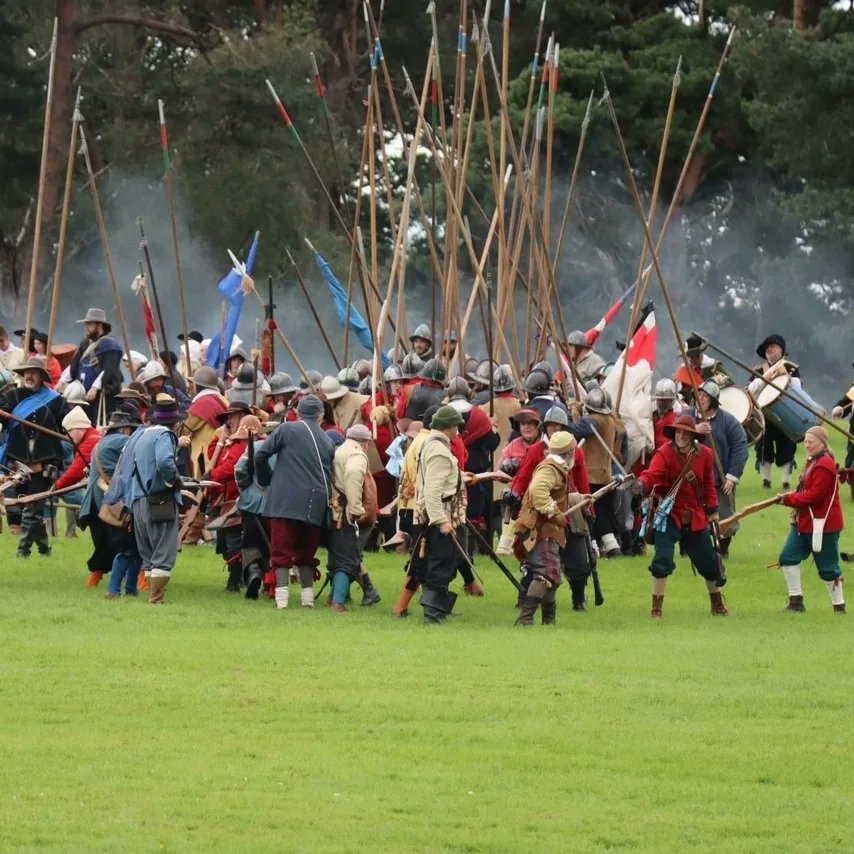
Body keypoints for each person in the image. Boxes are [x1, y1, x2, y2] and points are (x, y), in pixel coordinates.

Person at [633, 413, 726, 617]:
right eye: (678, 432)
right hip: (668, 516)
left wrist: (713, 509)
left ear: (693, 435)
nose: (681, 436)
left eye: (685, 433)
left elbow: (709, 485)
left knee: (709, 564)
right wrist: (641, 484)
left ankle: (718, 605)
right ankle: (656, 609)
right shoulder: (664, 453)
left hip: (695, 516)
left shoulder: (705, 455)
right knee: (662, 561)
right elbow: (652, 474)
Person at [255, 394, 334, 610]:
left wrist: (267, 479)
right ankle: (307, 601)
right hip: (316, 502)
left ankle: (282, 602)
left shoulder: (286, 429)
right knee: (306, 553)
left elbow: (260, 455)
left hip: (285, 500)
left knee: (281, 552)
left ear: (297, 413)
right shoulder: (328, 440)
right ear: (320, 416)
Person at [0, 355, 67, 557]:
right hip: (17, 464)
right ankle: (45, 550)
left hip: (43, 466)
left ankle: (23, 551)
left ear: (41, 376)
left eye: (34, 372)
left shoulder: (55, 401)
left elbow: (67, 424)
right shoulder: (12, 396)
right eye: (27, 372)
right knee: (31, 511)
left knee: (31, 509)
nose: (29, 375)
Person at [775, 425, 845, 614]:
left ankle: (839, 607)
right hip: (805, 522)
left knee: (828, 567)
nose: (807, 445)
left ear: (822, 443)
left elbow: (815, 496)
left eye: (811, 442)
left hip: (824, 524)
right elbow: (806, 491)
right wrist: (791, 498)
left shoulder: (824, 464)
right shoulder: (813, 461)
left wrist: (788, 499)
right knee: (788, 557)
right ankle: (796, 602)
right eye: (805, 441)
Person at [124, 393, 185, 604]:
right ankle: (157, 599)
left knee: (149, 554)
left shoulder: (141, 435)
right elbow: (165, 463)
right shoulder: (165, 436)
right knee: (163, 551)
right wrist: (175, 481)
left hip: (137, 500)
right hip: (159, 499)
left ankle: (153, 596)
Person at [512, 431, 578, 625]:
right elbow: (538, 491)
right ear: (569, 452)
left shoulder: (557, 467)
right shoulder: (550, 469)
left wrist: (580, 499)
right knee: (546, 572)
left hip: (547, 530)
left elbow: (556, 496)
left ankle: (549, 622)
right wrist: (554, 513)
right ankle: (524, 620)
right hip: (540, 529)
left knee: (552, 575)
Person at [78, 408, 143, 599]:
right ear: (124, 429)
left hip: (93, 502)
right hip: (109, 501)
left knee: (105, 544)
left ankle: (97, 581)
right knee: (126, 544)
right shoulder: (123, 441)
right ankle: (124, 587)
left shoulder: (102, 442)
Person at [414, 405, 467, 623]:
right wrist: (441, 521)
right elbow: (433, 490)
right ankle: (433, 615)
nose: (458, 429)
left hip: (439, 513)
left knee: (446, 561)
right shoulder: (439, 451)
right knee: (441, 563)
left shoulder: (432, 445)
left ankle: (440, 609)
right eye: (456, 425)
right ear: (450, 426)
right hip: (440, 515)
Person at [687, 380, 748, 558]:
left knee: (725, 517)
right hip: (691, 479)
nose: (701, 399)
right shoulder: (688, 416)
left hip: (719, 480)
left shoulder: (728, 421)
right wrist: (694, 429)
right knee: (690, 517)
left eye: (705, 396)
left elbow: (740, 447)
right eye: (699, 395)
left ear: (713, 400)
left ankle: (723, 549)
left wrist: (731, 477)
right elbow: (677, 435)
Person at [327, 424, 380, 612]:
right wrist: (356, 509)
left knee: (337, 556)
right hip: (346, 514)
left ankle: (334, 597)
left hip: (334, 511)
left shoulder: (340, 450)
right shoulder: (357, 455)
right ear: (365, 442)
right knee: (347, 559)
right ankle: (338, 603)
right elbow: (353, 474)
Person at [54, 406, 104, 584]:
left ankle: (96, 576)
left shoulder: (90, 442)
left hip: (103, 497)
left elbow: (74, 473)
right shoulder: (95, 438)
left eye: (69, 431)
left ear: (80, 428)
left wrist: (55, 488)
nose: (68, 436)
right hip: (104, 494)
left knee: (102, 536)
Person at [748, 333, 800, 490]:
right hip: (764, 415)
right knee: (764, 447)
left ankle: (786, 481)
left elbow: (797, 389)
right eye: (767, 348)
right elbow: (750, 390)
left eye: (772, 347)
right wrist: (766, 377)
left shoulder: (791, 368)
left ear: (781, 350)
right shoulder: (758, 370)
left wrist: (786, 377)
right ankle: (766, 481)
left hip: (785, 414)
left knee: (787, 447)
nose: (769, 350)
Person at [583, 387, 626, 558]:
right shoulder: (611, 420)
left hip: (591, 475)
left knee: (590, 513)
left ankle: (592, 548)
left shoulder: (593, 420)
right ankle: (612, 546)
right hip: (605, 474)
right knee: (600, 513)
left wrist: (576, 415)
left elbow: (575, 430)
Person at [67, 308, 125, 418]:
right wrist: (63, 381)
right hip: (84, 393)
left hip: (102, 394)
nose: (86, 328)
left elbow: (109, 370)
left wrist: (94, 388)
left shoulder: (111, 346)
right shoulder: (85, 343)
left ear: (99, 326)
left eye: (89, 324)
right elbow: (76, 364)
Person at [674, 334, 729, 405]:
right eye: (689, 357)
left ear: (699, 354)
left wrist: (715, 380)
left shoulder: (713, 366)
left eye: (693, 357)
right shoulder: (685, 369)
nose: (690, 360)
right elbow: (677, 392)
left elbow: (729, 381)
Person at [652, 378, 679, 449]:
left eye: (665, 400)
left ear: (672, 400)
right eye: (659, 400)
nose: (661, 403)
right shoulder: (651, 414)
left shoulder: (678, 416)